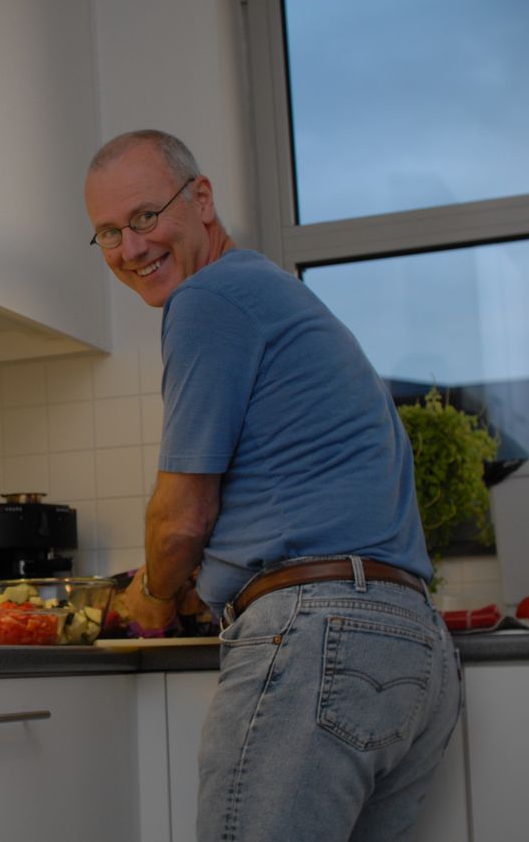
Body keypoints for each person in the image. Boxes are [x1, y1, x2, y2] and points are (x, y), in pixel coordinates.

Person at [83, 129, 461, 842]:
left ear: (200, 198)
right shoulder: (271, 293)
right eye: (107, 232)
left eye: (143, 217)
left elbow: (180, 520)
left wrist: (150, 595)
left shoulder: (209, 299)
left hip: (323, 636)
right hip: (412, 650)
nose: (131, 248)